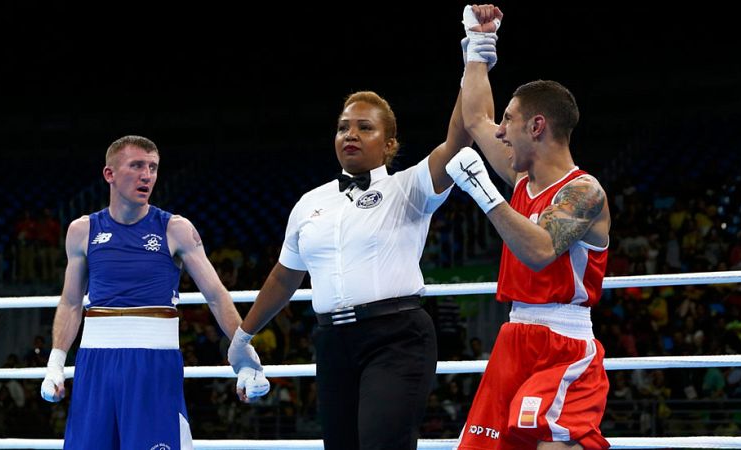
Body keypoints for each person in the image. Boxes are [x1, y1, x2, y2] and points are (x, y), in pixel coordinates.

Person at [226, 14, 501, 447]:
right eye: (343, 127)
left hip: (396, 337)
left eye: (364, 127)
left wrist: (476, 53)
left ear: (389, 144)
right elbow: (285, 276)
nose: (350, 134)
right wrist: (243, 336)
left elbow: (460, 138)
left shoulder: (408, 187)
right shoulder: (309, 203)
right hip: (332, 342)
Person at [445, 5, 611, 449]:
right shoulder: (522, 179)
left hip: (563, 343)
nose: (500, 132)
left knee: (551, 443)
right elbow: (475, 119)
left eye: (510, 122)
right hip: (515, 335)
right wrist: (478, 46)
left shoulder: (584, 192)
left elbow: (539, 251)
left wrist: (482, 190)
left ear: (537, 126)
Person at [39, 135, 270, 449]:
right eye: (136, 166)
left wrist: (244, 355)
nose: (146, 175)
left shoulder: (175, 229)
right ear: (110, 174)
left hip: (154, 363)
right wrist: (56, 363)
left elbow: (215, 294)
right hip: (94, 363)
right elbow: (70, 302)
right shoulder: (82, 231)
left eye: (153, 167)